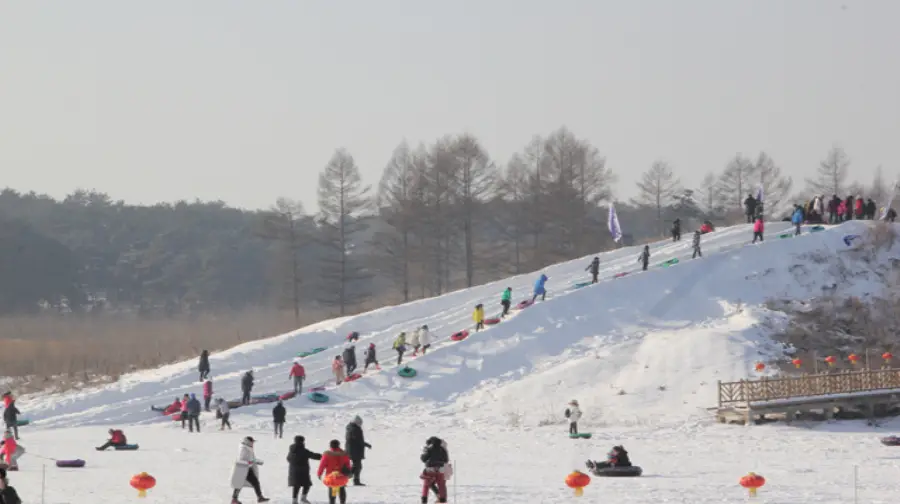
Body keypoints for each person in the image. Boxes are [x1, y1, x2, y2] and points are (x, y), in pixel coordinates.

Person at [229, 436, 269, 504]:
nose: (253, 443)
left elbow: (250, 458)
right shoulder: (244, 448)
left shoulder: (247, 448)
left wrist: (256, 461)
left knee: (240, 483)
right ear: (248, 442)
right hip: (245, 469)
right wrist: (250, 462)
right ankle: (260, 497)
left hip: (246, 468)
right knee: (255, 482)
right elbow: (242, 459)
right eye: (252, 442)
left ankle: (234, 499)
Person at [287, 435, 322, 504]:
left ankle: (294, 500)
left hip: (293, 471)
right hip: (303, 471)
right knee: (307, 485)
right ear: (302, 441)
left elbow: (288, 459)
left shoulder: (291, 450)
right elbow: (313, 455)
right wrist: (324, 456)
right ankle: (303, 498)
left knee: (296, 485)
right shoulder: (303, 450)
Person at [316, 440, 352, 504]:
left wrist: (319, 473)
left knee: (332, 489)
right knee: (342, 489)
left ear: (330, 445)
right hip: (341, 475)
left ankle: (332, 502)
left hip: (330, 476)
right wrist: (349, 473)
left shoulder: (327, 454)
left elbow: (322, 465)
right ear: (338, 445)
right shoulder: (344, 453)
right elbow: (348, 464)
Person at [419, 436, 450, 504]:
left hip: (430, 469)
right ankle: (442, 500)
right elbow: (446, 460)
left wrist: (423, 454)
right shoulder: (442, 449)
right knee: (441, 485)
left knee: (426, 485)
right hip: (440, 469)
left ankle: (424, 501)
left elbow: (423, 459)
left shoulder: (429, 448)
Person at [345, 415, 371, 486]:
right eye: (360, 423)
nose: (360, 424)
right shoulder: (354, 429)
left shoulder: (351, 428)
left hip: (353, 450)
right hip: (354, 451)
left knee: (357, 466)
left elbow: (356, 440)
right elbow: (358, 440)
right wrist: (366, 444)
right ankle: (347, 478)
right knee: (357, 466)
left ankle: (355, 480)